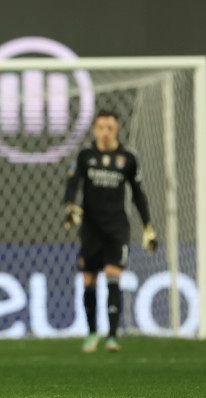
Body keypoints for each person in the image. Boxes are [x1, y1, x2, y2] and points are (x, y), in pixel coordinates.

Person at [64, 109, 158, 353]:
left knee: (113, 275)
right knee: (89, 279)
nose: (105, 132)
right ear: (95, 129)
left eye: (110, 127)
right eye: (101, 127)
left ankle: (113, 336)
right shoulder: (85, 156)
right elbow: (73, 183)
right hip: (91, 229)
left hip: (116, 227)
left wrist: (148, 225)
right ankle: (92, 332)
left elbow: (138, 194)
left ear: (116, 130)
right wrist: (70, 206)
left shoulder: (127, 158)